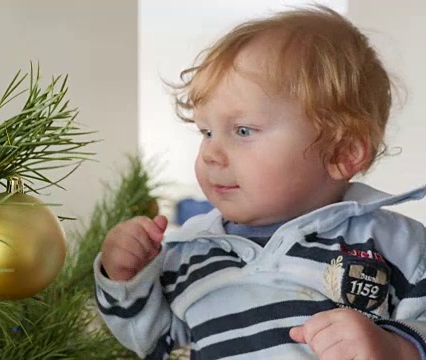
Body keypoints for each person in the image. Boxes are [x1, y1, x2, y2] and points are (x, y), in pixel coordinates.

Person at [93, 5, 426, 360]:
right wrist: (126, 278)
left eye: (243, 130)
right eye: (206, 132)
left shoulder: (396, 244)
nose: (210, 154)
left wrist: (397, 348)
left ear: (342, 152)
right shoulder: (191, 252)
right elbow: (152, 341)